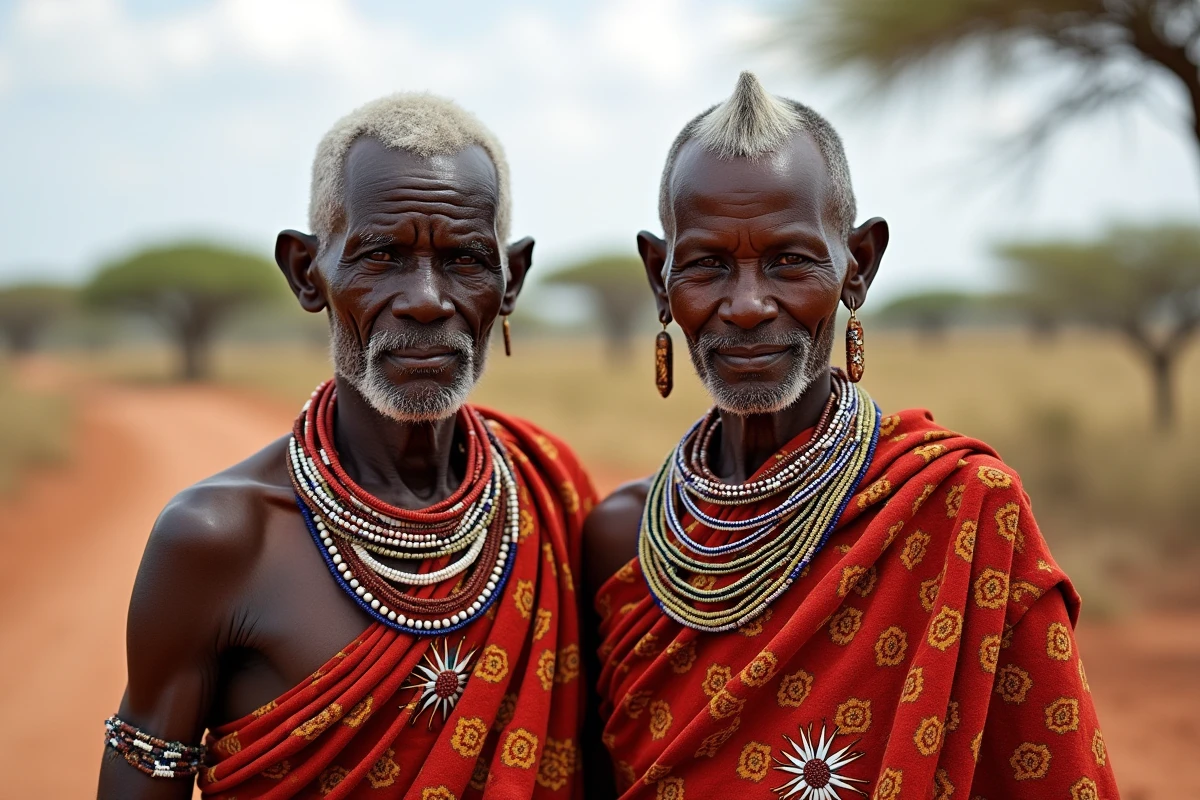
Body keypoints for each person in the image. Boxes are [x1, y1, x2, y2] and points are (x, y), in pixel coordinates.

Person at [582, 73, 1118, 800]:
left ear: (857, 265)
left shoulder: (959, 508)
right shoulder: (624, 538)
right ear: (659, 276)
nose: (747, 305)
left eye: (790, 261)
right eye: (708, 264)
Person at [99, 93, 595, 799]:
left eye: (464, 259)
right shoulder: (220, 539)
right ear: (307, 272)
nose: (426, 299)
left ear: (509, 280)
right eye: (381, 256)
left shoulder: (549, 492)